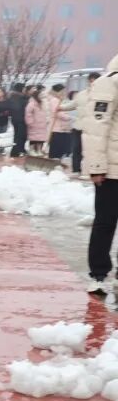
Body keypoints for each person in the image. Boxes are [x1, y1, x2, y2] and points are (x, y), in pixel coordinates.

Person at [81, 52, 118, 295]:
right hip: (112, 171)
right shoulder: (110, 82)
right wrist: (96, 167)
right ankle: (98, 273)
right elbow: (96, 127)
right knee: (105, 223)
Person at [72, 73, 101, 175]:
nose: (92, 83)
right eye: (91, 80)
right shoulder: (81, 94)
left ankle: (91, 170)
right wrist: (61, 108)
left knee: (91, 151)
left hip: (93, 128)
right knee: (77, 148)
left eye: (95, 80)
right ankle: (76, 169)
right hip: (79, 126)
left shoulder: (102, 95)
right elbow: (73, 104)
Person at [45, 83, 75, 159]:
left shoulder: (59, 99)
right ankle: (54, 164)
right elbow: (57, 113)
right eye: (63, 91)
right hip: (57, 128)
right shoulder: (54, 100)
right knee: (56, 149)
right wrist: (68, 117)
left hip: (61, 128)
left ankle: (56, 162)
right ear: (58, 91)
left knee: (59, 149)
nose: (64, 92)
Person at [7, 82, 30, 157]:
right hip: (19, 119)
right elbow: (18, 107)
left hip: (17, 119)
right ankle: (15, 151)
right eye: (23, 88)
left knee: (19, 135)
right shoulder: (16, 97)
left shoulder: (15, 96)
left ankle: (19, 149)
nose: (24, 90)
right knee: (19, 136)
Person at [26, 84, 49, 155]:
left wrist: (47, 120)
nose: (42, 96)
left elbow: (47, 112)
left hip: (42, 124)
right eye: (40, 95)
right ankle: (31, 149)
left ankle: (39, 150)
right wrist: (30, 122)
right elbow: (28, 113)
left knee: (41, 138)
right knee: (33, 138)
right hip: (34, 124)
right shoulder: (31, 103)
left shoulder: (43, 103)